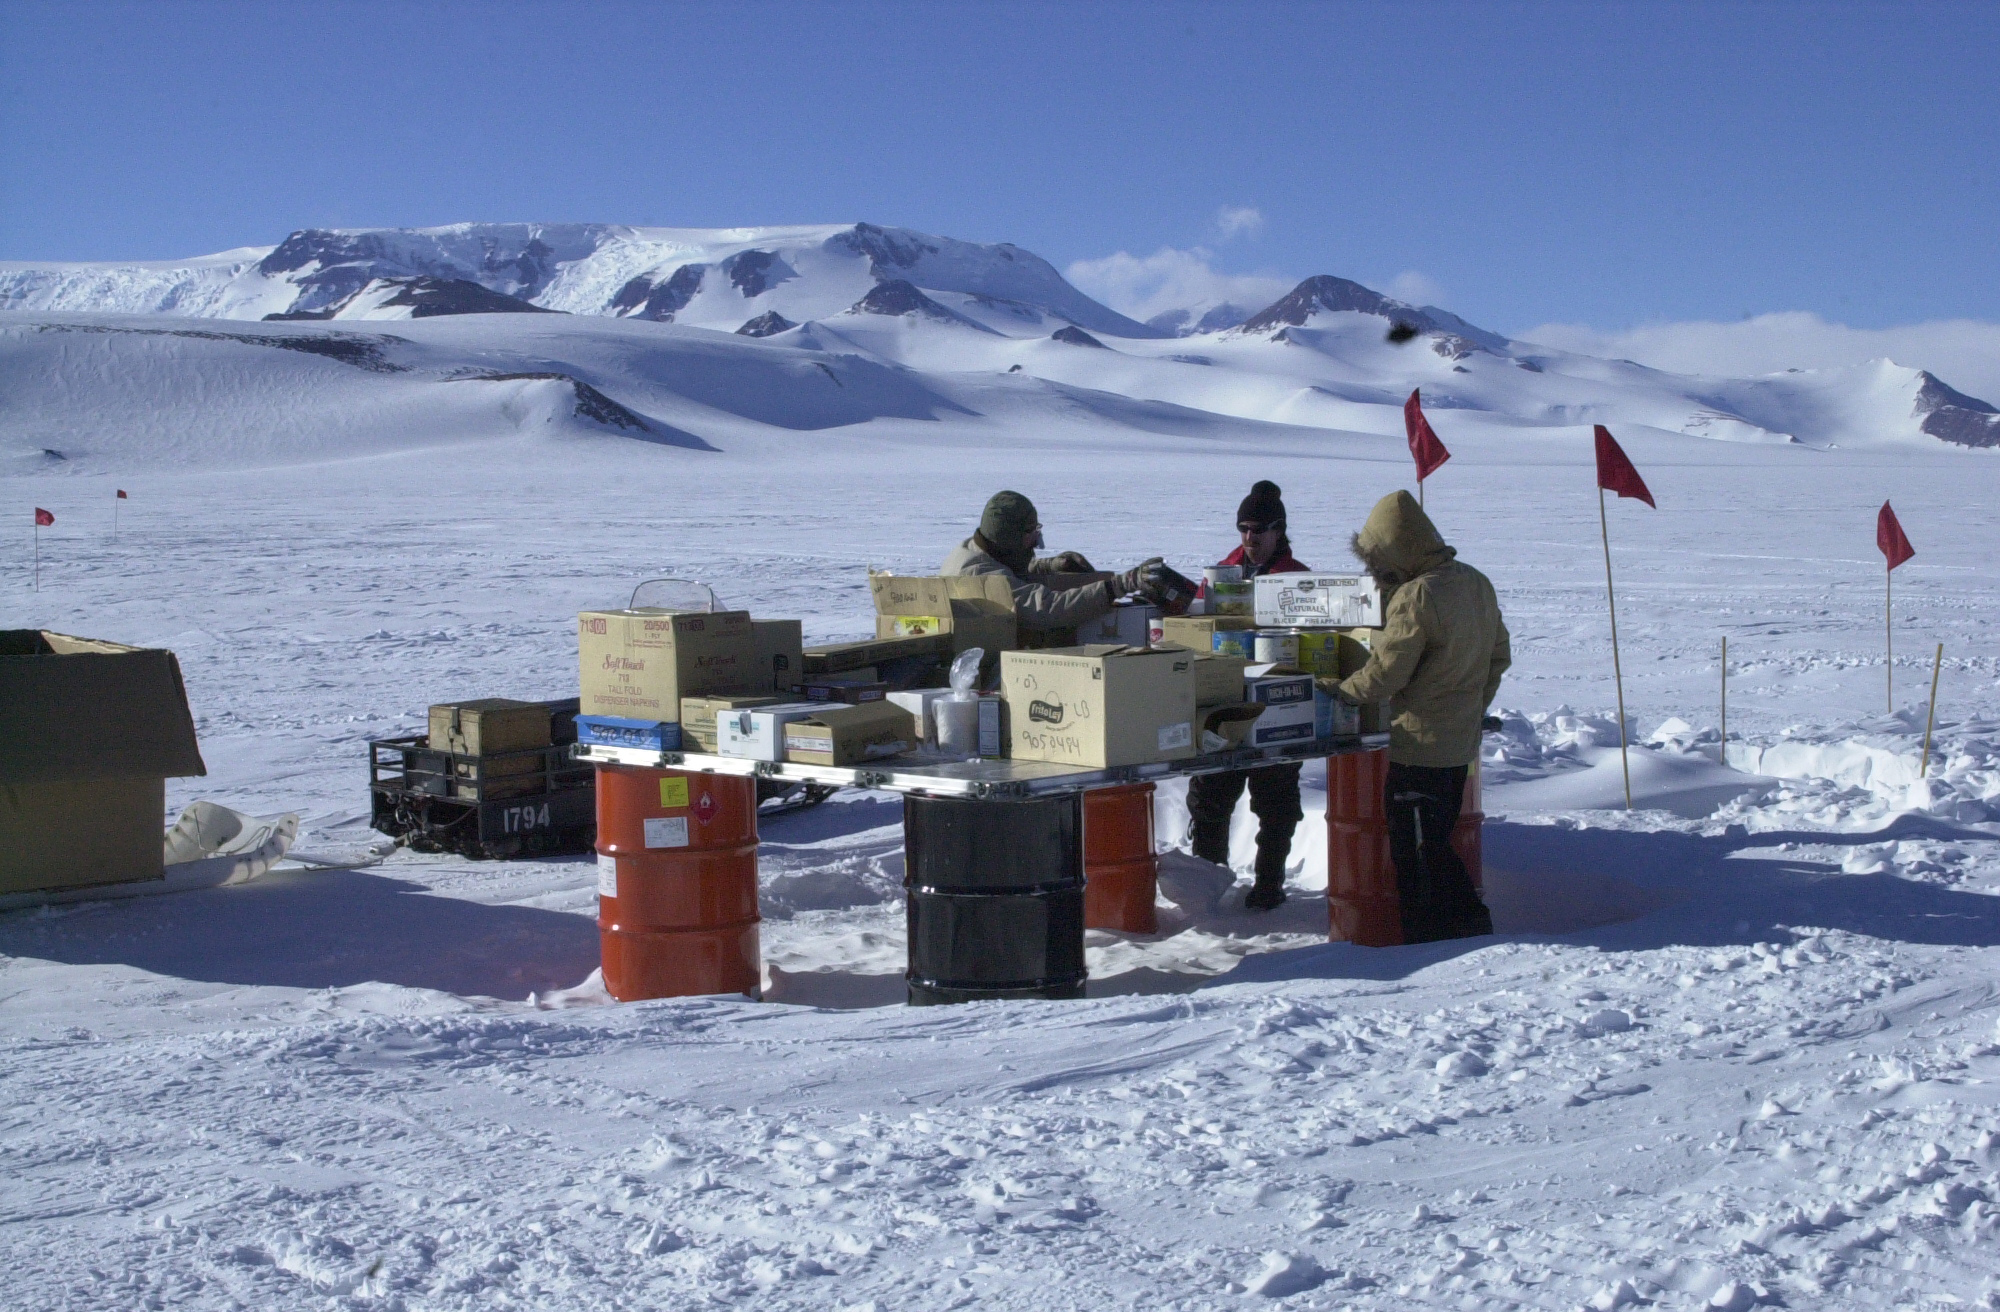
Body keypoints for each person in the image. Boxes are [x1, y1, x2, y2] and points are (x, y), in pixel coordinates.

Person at [1321, 490, 1510, 942]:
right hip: (1459, 746)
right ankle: (1458, 927)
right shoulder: (1475, 582)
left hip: (1419, 748)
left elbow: (1387, 674)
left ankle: (1439, 933)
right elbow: (1498, 657)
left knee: (1418, 852)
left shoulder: (1416, 595)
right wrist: (1471, 707)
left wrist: (1342, 692)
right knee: (1438, 838)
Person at [1187, 480, 1310, 910]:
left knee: (1275, 803)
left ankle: (1270, 886)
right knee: (1209, 798)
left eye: (1259, 530)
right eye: (1243, 529)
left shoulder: (1297, 582)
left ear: (1279, 531)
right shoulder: (1221, 573)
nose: (1250, 539)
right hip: (1225, 701)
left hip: (1278, 702)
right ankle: (1206, 887)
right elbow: (1196, 626)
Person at [942, 490, 1167, 635]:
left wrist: (1049, 566)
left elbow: (1006, 571)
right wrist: (1120, 585)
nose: (1034, 540)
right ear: (1010, 538)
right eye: (1029, 532)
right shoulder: (978, 574)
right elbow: (1048, 609)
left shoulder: (974, 549)